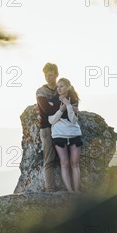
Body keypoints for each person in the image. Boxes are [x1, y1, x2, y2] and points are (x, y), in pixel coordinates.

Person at [48, 78, 82, 193]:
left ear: (68, 87)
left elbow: (73, 120)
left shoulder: (73, 99)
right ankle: (70, 192)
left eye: (62, 86)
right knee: (64, 163)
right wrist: (61, 110)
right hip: (59, 135)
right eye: (58, 87)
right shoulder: (52, 101)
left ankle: (76, 191)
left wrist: (68, 105)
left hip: (74, 134)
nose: (59, 88)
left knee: (75, 163)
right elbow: (51, 120)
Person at [36, 63, 60, 192]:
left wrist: (53, 104)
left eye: (50, 75)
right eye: (45, 75)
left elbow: (72, 102)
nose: (47, 77)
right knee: (49, 158)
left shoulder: (62, 87)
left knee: (66, 158)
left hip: (62, 127)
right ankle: (50, 188)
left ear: (56, 74)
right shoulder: (41, 91)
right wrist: (61, 104)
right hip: (46, 128)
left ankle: (69, 187)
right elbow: (47, 109)